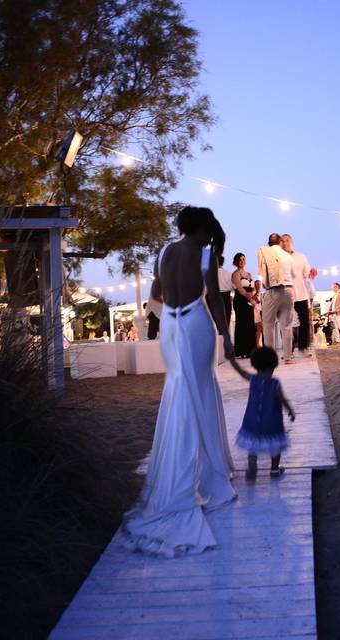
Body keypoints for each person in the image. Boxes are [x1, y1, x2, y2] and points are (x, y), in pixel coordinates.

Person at [121, 206, 236, 557]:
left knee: (179, 391)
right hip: (194, 323)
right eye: (207, 230)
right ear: (201, 228)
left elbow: (156, 294)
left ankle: (188, 468)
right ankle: (200, 475)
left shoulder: (164, 252)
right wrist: (226, 337)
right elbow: (214, 299)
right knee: (198, 391)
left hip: (169, 327)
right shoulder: (205, 255)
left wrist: (172, 312)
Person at [232, 346, 295, 480]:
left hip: (252, 419)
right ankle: (274, 469)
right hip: (271, 420)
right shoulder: (275, 383)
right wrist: (290, 411)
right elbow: (281, 399)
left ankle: (252, 461)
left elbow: (241, 371)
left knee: (253, 443)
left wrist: (232, 360)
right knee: (275, 444)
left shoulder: (253, 379)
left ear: (255, 365)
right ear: (273, 365)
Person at [255, 233, 295, 363]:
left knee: (268, 325)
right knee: (287, 326)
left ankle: (270, 358)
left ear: (268, 242)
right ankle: (288, 357)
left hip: (273, 290)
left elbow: (261, 272)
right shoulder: (287, 256)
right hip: (289, 290)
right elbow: (292, 274)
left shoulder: (264, 251)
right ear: (280, 242)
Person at [281, 234, 312, 357]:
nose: (285, 243)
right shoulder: (279, 258)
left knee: (304, 322)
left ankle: (303, 348)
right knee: (286, 323)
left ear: (292, 241)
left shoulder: (301, 256)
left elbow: (307, 273)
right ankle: (288, 351)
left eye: (287, 240)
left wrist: (312, 273)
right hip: (286, 295)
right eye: (282, 241)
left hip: (301, 294)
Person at [231, 252, 257, 357]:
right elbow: (240, 289)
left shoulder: (249, 274)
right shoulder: (235, 274)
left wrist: (253, 293)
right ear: (236, 262)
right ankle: (242, 350)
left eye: (243, 259)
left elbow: (254, 287)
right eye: (240, 260)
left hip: (249, 300)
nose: (242, 262)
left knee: (250, 324)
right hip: (240, 300)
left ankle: (250, 350)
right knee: (242, 324)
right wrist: (249, 297)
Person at [217, 255, 234, 327]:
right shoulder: (228, 273)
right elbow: (233, 287)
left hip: (215, 296)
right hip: (226, 296)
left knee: (216, 320)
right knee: (226, 320)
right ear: (223, 262)